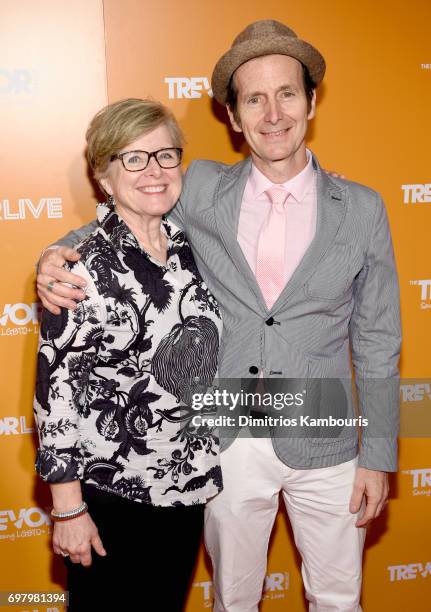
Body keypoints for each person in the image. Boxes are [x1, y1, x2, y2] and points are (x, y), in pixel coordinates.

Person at [37, 20, 401, 612]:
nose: (273, 112)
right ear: (233, 117)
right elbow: (129, 208)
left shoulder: (361, 207)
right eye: (254, 98)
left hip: (327, 434)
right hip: (225, 433)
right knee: (232, 600)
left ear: (311, 101)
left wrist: (380, 454)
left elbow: (380, 337)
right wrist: (56, 255)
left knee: (339, 598)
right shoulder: (199, 185)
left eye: (287, 93)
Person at [33, 98, 223, 612]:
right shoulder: (81, 268)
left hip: (185, 488)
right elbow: (57, 394)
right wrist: (68, 510)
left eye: (165, 155)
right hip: (111, 497)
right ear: (104, 176)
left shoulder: (188, 249)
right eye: (133, 158)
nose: (154, 171)